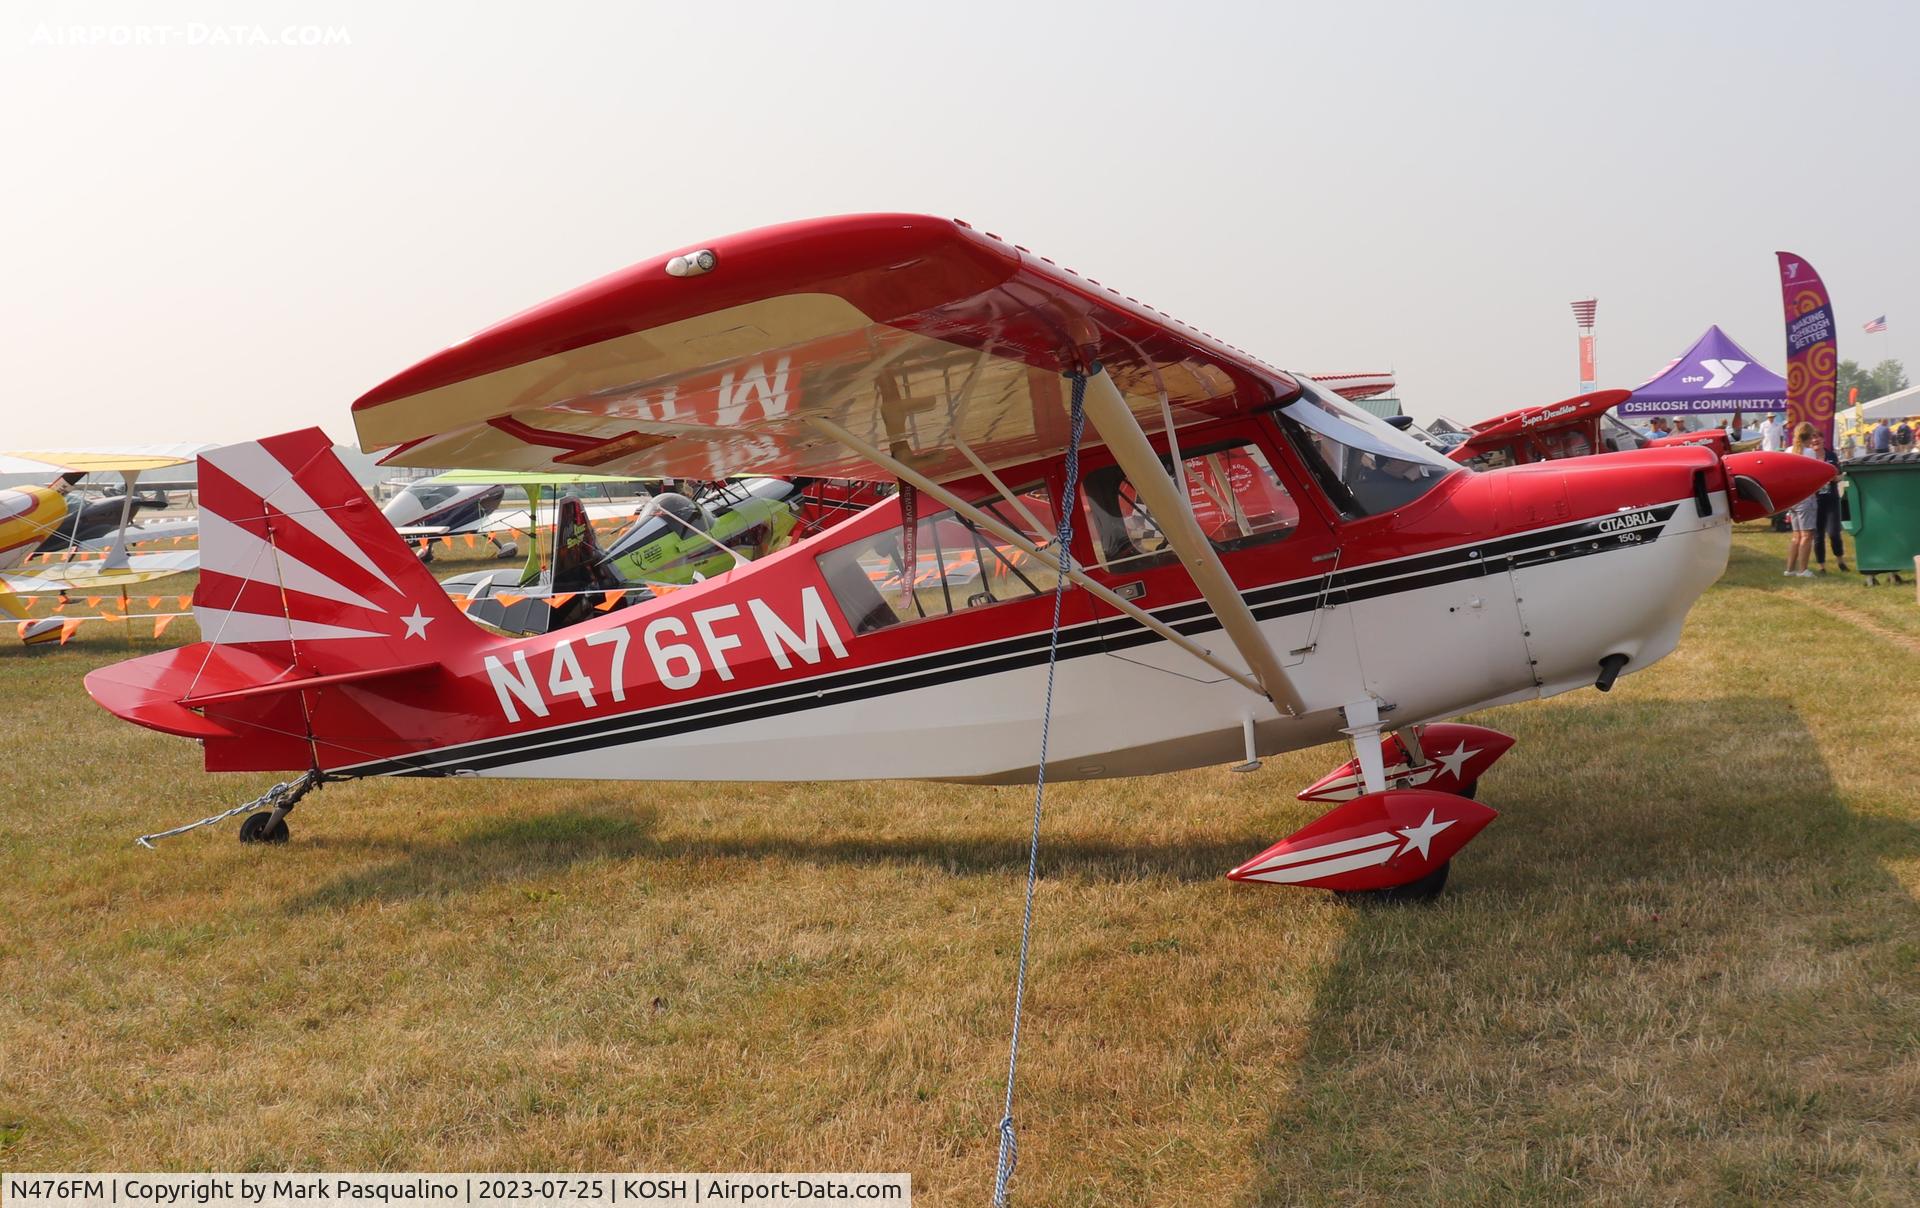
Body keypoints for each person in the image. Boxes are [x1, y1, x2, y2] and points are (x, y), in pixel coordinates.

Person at [1783, 422, 1820, 577]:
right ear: (1810, 436)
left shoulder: (1788, 451)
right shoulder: (1810, 453)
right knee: (1806, 535)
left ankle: (1789, 569)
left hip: (1793, 497)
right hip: (1806, 497)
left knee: (1796, 536)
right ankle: (1803, 569)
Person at [1810, 430, 1849, 574]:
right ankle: (1821, 566)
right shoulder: (1808, 456)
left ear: (1822, 439)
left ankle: (1840, 561)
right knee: (1818, 534)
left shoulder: (1831, 455)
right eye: (1813, 438)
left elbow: (1840, 476)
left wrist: (1835, 478)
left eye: (1818, 437)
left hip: (1831, 499)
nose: (1815, 441)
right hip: (1815, 501)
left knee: (1834, 532)